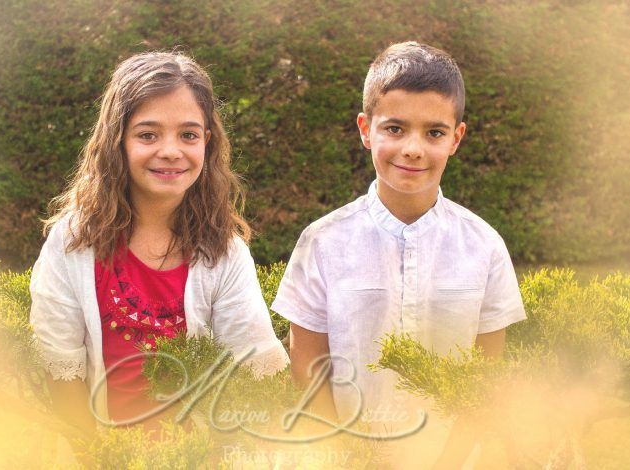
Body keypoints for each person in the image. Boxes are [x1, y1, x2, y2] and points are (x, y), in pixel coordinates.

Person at [271, 41, 526, 466]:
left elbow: (484, 378)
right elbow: (309, 371)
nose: (413, 148)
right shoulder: (323, 242)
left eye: (434, 132)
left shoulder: (483, 245)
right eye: (395, 128)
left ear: (456, 139)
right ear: (365, 129)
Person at [29, 51, 289, 446]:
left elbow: (254, 369)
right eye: (148, 134)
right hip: (101, 452)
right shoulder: (74, 242)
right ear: (118, 141)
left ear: (208, 141)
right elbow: (61, 366)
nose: (171, 150)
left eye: (188, 134)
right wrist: (101, 457)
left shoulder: (224, 253)